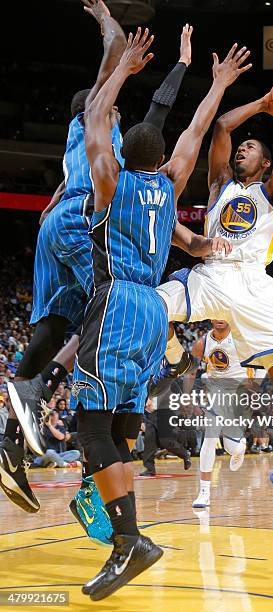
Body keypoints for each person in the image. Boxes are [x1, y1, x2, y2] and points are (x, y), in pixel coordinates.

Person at [71, 30, 252, 600]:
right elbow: (196, 131)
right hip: (155, 308)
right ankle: (127, 532)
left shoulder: (110, 179)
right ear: (161, 159)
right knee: (122, 425)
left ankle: (128, 540)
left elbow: (95, 117)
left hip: (119, 298)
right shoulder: (170, 185)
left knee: (90, 423)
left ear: (126, 154)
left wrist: (122, 67)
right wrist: (218, 82)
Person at [156, 87, 273, 521]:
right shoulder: (218, 185)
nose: (243, 148)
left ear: (263, 164)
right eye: (242, 148)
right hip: (212, 272)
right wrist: (265, 103)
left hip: (252, 288)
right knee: (148, 305)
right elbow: (224, 125)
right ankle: (178, 360)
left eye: (252, 148)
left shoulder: (272, 193)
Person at [1, 0, 127, 513]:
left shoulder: (79, 142)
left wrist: (55, 195)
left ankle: (10, 442)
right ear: (96, 107)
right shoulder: (97, 115)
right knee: (109, 304)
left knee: (53, 326)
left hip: (56, 225)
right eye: (112, 104)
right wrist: (105, 22)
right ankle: (43, 394)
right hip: (79, 221)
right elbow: (117, 49)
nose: (116, 109)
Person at [189, 320, 261, 508]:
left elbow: (263, 363)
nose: (220, 319)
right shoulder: (202, 344)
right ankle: (204, 492)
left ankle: (240, 448)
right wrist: (188, 397)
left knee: (231, 447)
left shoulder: (242, 339)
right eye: (216, 315)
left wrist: (255, 388)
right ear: (211, 318)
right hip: (216, 394)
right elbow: (190, 371)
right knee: (210, 438)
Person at [140, 397, 191, 477]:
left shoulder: (171, 385)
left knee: (165, 441)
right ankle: (150, 470)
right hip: (152, 415)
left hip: (166, 413)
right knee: (149, 440)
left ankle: (185, 454)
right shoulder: (149, 385)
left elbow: (180, 395)